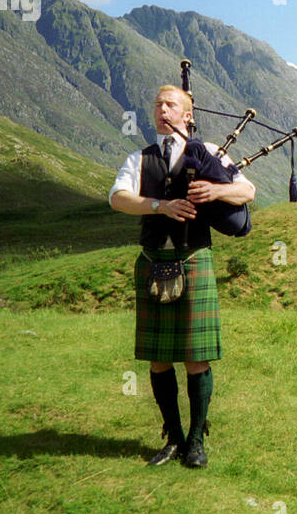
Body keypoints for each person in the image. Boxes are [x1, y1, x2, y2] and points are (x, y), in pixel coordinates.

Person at [109, 86, 255, 468]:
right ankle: (172, 437)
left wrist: (218, 189)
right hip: (154, 259)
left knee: (196, 357)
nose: (162, 109)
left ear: (188, 114)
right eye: (157, 104)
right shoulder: (139, 159)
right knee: (158, 359)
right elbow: (118, 198)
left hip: (194, 259)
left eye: (171, 104)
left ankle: (196, 441)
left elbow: (247, 190)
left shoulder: (209, 151)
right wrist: (160, 205)